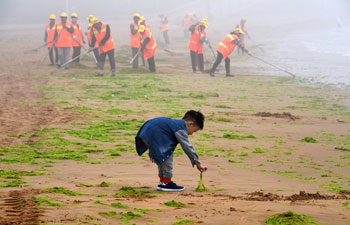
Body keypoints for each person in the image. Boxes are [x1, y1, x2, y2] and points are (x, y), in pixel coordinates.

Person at [135, 110, 207, 192]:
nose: (191, 134)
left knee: (162, 157)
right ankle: (166, 182)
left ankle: (162, 182)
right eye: (194, 131)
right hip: (153, 133)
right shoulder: (181, 128)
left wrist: (153, 149)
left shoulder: (175, 124)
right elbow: (187, 146)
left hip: (146, 131)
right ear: (190, 124)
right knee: (167, 155)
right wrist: (197, 162)